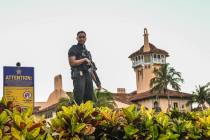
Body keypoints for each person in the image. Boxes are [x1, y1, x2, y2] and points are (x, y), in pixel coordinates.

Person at [68, 31, 101, 105]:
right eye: (80, 37)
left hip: (88, 75)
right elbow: (72, 62)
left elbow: (91, 69)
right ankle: (72, 113)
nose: (82, 38)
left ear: (86, 38)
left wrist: (97, 82)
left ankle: (87, 115)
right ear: (77, 38)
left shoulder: (87, 53)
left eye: (83, 37)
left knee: (89, 99)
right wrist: (84, 60)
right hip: (78, 74)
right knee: (78, 97)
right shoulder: (74, 48)